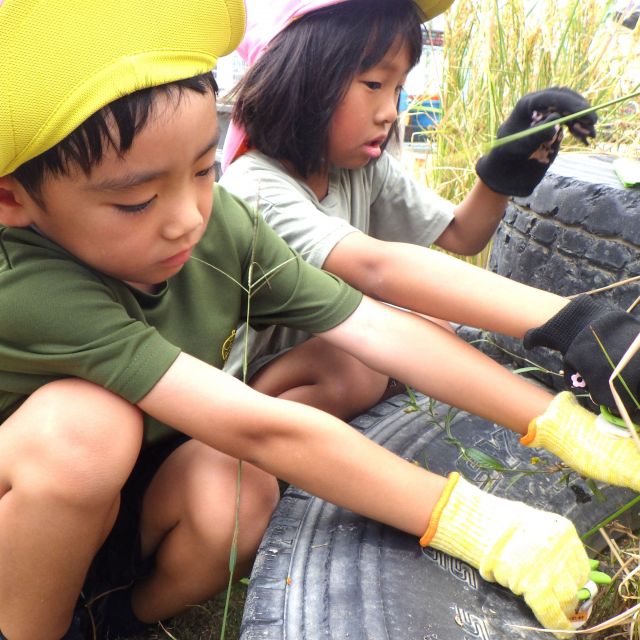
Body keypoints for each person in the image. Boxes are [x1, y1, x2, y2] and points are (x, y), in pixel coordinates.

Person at [1, 1, 639, 640]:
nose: (188, 218)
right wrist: (476, 524)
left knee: (238, 491)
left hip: (141, 481)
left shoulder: (224, 224)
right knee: (85, 431)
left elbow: (374, 326)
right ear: (12, 198)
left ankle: (114, 620)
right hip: (36, 508)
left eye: (203, 170)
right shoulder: (29, 285)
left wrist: (560, 425)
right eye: (138, 201)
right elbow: (265, 424)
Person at [219, 0, 599, 420]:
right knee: (358, 367)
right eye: (374, 84)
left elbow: (462, 234)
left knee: (431, 326)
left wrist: (502, 171)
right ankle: (254, 456)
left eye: (398, 88)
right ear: (302, 81)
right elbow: (374, 266)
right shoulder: (255, 188)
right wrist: (574, 322)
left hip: (323, 349)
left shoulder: (357, 169)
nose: (390, 112)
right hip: (244, 388)